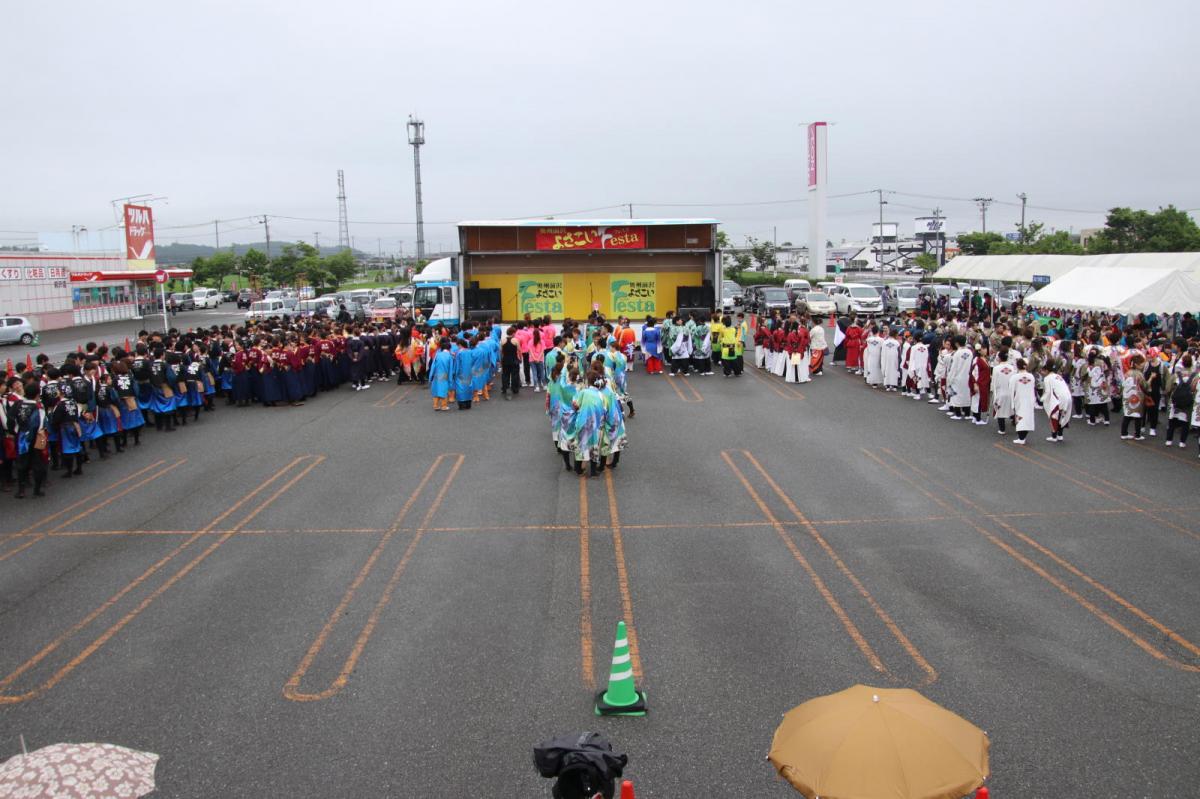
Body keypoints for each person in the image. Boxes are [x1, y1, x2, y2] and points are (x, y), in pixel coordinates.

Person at [1040, 361, 1072, 442]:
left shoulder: (1047, 378)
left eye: (1043, 371)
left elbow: (1047, 392)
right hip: (1068, 397)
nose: (1042, 373)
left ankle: (1054, 436)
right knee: (1062, 416)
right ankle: (1060, 435)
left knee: (1054, 416)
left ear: (1047, 371)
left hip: (1058, 399)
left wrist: (1042, 399)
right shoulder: (1058, 376)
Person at [1009, 358, 1037, 444]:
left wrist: (1012, 402)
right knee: (1027, 417)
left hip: (1019, 399)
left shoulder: (1014, 377)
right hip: (1029, 399)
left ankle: (1021, 438)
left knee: (1020, 417)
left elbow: (1011, 389)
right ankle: (1023, 437)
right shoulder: (1031, 376)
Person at [501, 327, 521, 399]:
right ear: (513, 333)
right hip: (514, 359)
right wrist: (520, 358)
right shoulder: (515, 340)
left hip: (505, 359)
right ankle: (514, 388)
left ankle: (505, 387)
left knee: (505, 374)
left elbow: (501, 351)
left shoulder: (503, 340)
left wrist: (501, 359)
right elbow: (519, 350)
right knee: (515, 375)